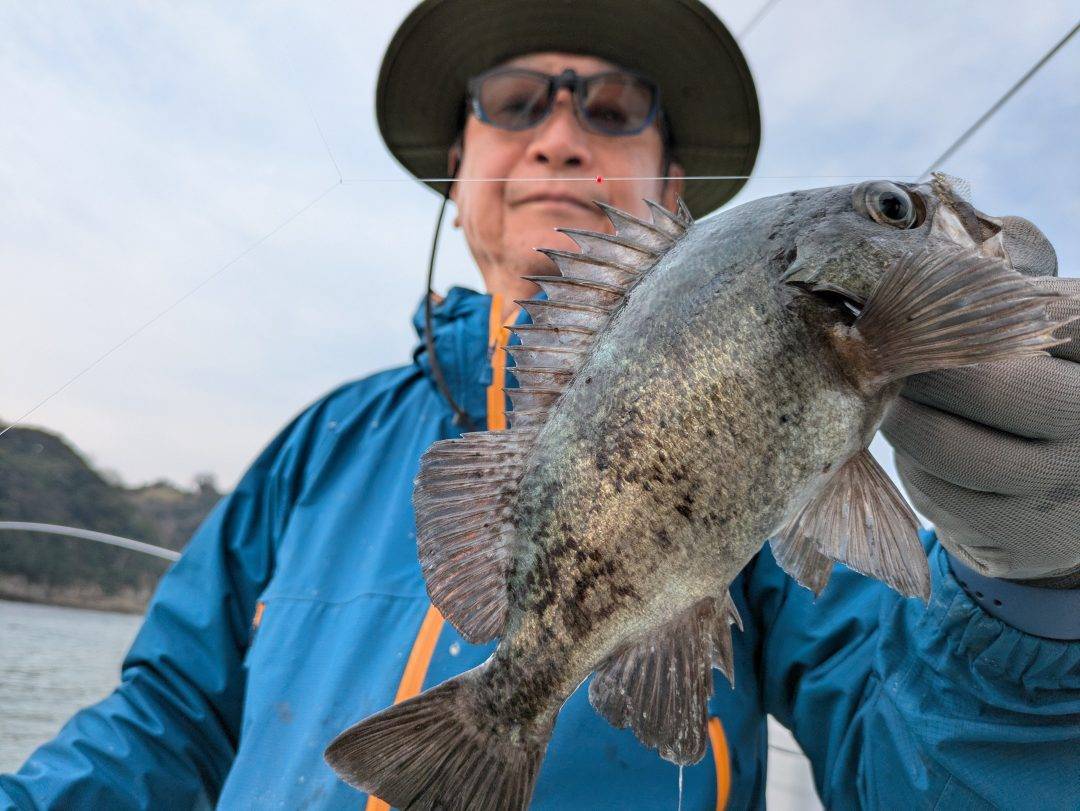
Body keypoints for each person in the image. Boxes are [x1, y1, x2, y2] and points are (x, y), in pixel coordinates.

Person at [3, 1, 1078, 808]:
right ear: (459, 171)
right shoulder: (316, 448)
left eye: (614, 109)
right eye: (514, 103)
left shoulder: (781, 528)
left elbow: (911, 772)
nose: (560, 137)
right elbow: (162, 722)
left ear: (671, 193)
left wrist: (1037, 594)